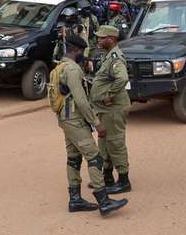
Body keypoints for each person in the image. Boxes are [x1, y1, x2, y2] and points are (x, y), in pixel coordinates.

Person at [53, 34, 128, 216]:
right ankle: (104, 201)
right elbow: (80, 100)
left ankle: (75, 199)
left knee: (73, 158)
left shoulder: (59, 67)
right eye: (82, 51)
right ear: (76, 51)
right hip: (75, 120)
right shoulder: (72, 70)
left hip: (65, 119)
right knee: (95, 157)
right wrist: (96, 123)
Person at [90, 25, 132, 194]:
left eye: (101, 38)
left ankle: (124, 180)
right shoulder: (108, 56)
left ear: (111, 39)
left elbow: (122, 78)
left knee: (115, 143)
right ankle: (107, 177)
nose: (98, 40)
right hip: (104, 109)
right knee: (104, 142)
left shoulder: (116, 58)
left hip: (113, 109)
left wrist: (108, 95)